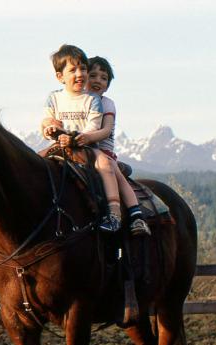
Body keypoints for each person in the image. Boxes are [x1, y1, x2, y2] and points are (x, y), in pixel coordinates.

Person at [40, 45, 149, 235]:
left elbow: (98, 128)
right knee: (36, 163)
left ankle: (124, 214)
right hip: (62, 145)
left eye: (83, 69)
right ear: (60, 77)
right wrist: (50, 129)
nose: (82, 75)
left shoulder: (96, 101)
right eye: (92, 75)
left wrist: (79, 138)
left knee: (109, 167)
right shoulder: (55, 98)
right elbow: (49, 120)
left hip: (90, 146)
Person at [74, 56, 150, 236]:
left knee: (115, 174)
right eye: (93, 75)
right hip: (77, 150)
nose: (98, 81)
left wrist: (86, 137)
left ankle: (135, 215)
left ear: (108, 84)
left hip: (101, 150)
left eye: (104, 78)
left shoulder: (107, 103)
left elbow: (106, 130)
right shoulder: (77, 102)